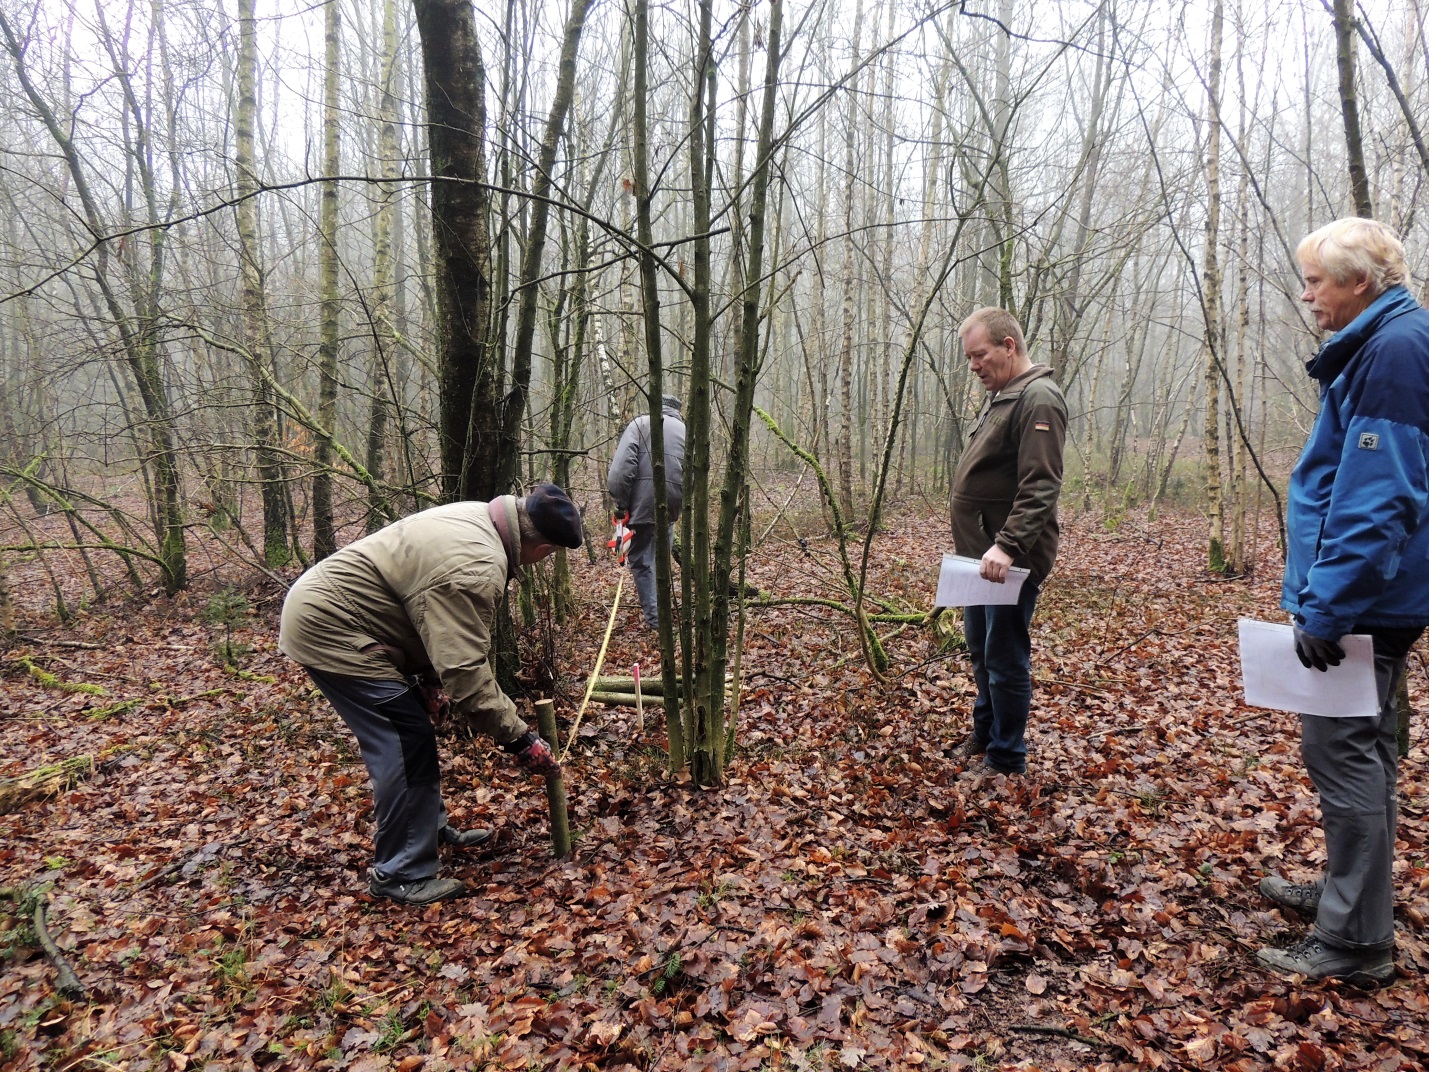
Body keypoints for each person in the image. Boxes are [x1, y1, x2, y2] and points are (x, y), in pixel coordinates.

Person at [1255, 217, 1429, 984]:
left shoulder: (1393, 350)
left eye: (1314, 280)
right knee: (1362, 752)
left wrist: (1325, 608)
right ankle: (1345, 895)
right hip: (1376, 593)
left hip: (1368, 599)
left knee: (1342, 755)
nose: (1305, 294)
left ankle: (1355, 942)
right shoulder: (1386, 342)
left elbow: (1377, 496)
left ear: (1359, 282)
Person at [278, 484, 582, 905]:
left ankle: (425, 831)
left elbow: (426, 616)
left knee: (413, 734)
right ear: (543, 547)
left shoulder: (482, 517)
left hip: (350, 618)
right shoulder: (475, 565)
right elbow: (465, 671)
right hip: (332, 627)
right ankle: (400, 873)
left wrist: (427, 683)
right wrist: (520, 739)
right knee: (404, 741)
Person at [947, 307, 1067, 777]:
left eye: (980, 355)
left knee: (1004, 656)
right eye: (969, 358)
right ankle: (986, 732)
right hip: (980, 558)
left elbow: (1041, 484)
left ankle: (1006, 757)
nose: (974, 366)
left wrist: (1009, 544)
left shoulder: (1038, 398)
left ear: (1008, 346)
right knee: (980, 648)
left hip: (1008, 561)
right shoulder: (1005, 395)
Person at [607, 392, 686, 629]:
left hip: (643, 504)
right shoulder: (686, 431)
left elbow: (622, 470)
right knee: (660, 559)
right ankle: (662, 614)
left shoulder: (640, 424)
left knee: (642, 562)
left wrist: (621, 503)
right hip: (673, 505)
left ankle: (656, 622)